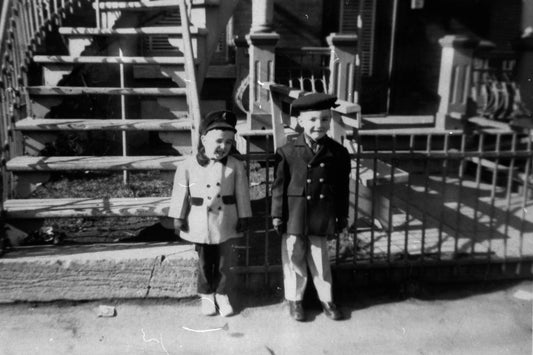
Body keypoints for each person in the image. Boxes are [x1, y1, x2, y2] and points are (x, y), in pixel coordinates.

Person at [271, 93, 351, 321]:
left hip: (321, 212)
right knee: (293, 255)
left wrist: (342, 215)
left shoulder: (338, 153)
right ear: (300, 122)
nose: (319, 125)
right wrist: (277, 215)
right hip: (294, 213)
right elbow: (278, 187)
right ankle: (295, 300)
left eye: (325, 119)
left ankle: (327, 299)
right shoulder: (287, 152)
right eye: (313, 120)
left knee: (320, 257)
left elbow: (342, 188)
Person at [168, 110, 252, 317]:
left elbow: (242, 194)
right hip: (199, 221)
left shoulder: (235, 165)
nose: (223, 147)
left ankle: (222, 294)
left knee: (225, 262)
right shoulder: (187, 165)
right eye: (218, 141)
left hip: (226, 221)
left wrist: (244, 216)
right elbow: (180, 192)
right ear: (204, 139)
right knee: (205, 261)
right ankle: (206, 295)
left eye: (229, 143)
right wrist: (178, 217)